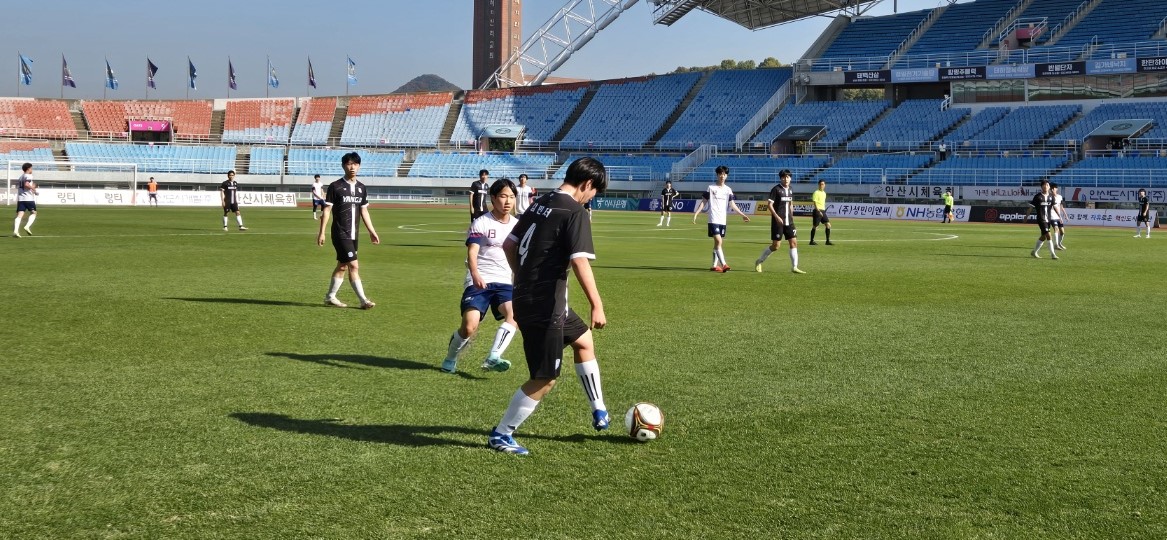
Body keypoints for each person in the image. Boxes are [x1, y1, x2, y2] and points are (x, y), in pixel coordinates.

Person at [487, 157, 610, 456]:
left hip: (530, 297)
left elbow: (509, 245)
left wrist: (523, 278)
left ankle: (599, 409)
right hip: (546, 306)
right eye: (595, 193)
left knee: (583, 341)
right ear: (587, 184)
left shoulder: (542, 201)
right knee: (545, 378)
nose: (592, 198)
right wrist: (597, 304)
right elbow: (580, 261)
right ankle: (501, 434)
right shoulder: (575, 211)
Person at [442, 178, 520, 374]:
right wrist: (475, 273)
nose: (508, 201)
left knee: (515, 314)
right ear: (493, 198)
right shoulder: (482, 222)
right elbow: (472, 251)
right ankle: (451, 358)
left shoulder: (518, 225)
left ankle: (494, 356)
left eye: (511, 197)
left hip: (504, 282)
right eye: (503, 196)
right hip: (479, 280)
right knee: (469, 327)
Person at [317, 152, 380, 309]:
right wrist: (322, 232)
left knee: (343, 266)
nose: (352, 167)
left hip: (354, 233)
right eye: (349, 164)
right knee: (354, 265)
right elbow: (326, 210)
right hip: (340, 232)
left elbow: (364, 211)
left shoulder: (361, 188)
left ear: (359, 166)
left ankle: (330, 297)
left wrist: (372, 231)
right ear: (343, 165)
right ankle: (363, 300)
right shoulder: (335, 186)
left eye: (355, 164)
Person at [692, 165, 750, 272]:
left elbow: (732, 205)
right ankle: (724, 264)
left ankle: (714, 265)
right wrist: (696, 213)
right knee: (719, 241)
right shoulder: (711, 188)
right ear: (717, 175)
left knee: (717, 243)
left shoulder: (728, 190)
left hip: (723, 220)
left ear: (726, 176)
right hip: (713, 219)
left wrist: (743, 215)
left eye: (724, 174)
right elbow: (703, 202)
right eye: (720, 174)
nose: (722, 176)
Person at [755, 169, 805, 274]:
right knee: (776, 246)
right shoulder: (776, 189)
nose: (786, 179)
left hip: (789, 221)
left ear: (790, 178)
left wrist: (792, 212)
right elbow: (769, 205)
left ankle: (794, 267)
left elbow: (791, 202)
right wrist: (777, 217)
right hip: (778, 222)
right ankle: (759, 261)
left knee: (794, 243)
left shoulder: (791, 189)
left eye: (788, 177)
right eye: (783, 177)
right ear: (780, 178)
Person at [1029, 179, 1058, 259]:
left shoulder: (1051, 197)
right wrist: (1026, 216)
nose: (1046, 186)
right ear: (1041, 186)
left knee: (1043, 236)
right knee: (1049, 235)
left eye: (1047, 185)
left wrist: (1059, 215)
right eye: (1044, 185)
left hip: (1048, 219)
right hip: (1041, 219)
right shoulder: (1038, 196)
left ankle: (1034, 252)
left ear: (1049, 187)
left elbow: (1054, 207)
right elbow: (1031, 207)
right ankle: (1053, 254)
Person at [12, 162, 37, 237]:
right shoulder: (29, 175)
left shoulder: (21, 177)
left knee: (20, 215)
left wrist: (31, 188)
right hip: (28, 198)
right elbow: (26, 184)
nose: (32, 169)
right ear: (28, 168)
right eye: (31, 168)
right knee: (33, 213)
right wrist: (33, 189)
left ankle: (15, 231)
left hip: (21, 199)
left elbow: (24, 186)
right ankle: (27, 226)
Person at [809, 179, 832, 245]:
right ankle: (811, 241)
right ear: (818, 185)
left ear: (825, 185)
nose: (822, 185)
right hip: (817, 211)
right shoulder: (816, 192)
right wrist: (818, 211)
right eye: (821, 184)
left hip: (823, 211)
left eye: (823, 184)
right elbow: (815, 202)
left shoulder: (824, 193)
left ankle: (827, 241)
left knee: (828, 225)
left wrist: (823, 211)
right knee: (815, 226)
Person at [1049, 182, 1067, 249]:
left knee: (1062, 232)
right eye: (1051, 189)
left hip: (1058, 216)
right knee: (1056, 229)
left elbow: (1061, 206)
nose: (1052, 190)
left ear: (1056, 189)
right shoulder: (1049, 197)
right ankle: (1056, 245)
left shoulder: (1060, 197)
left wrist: (1065, 215)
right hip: (1052, 216)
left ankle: (1059, 243)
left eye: (1053, 189)